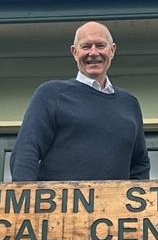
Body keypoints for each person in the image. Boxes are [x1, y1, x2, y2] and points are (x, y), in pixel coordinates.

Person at [10, 21, 150, 181]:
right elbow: (26, 151)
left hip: (113, 204)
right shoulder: (51, 94)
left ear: (112, 51)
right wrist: (24, 199)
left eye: (100, 45)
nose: (93, 52)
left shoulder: (129, 103)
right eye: (86, 46)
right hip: (59, 204)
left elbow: (140, 165)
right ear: (74, 52)